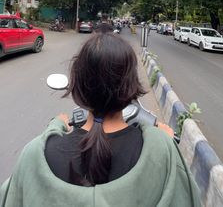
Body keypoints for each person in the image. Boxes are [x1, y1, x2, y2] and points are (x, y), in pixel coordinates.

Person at [0, 33, 202, 207]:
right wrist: (164, 141)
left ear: (78, 86)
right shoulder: (162, 151)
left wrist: (54, 128)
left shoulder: (35, 154)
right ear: (130, 86)